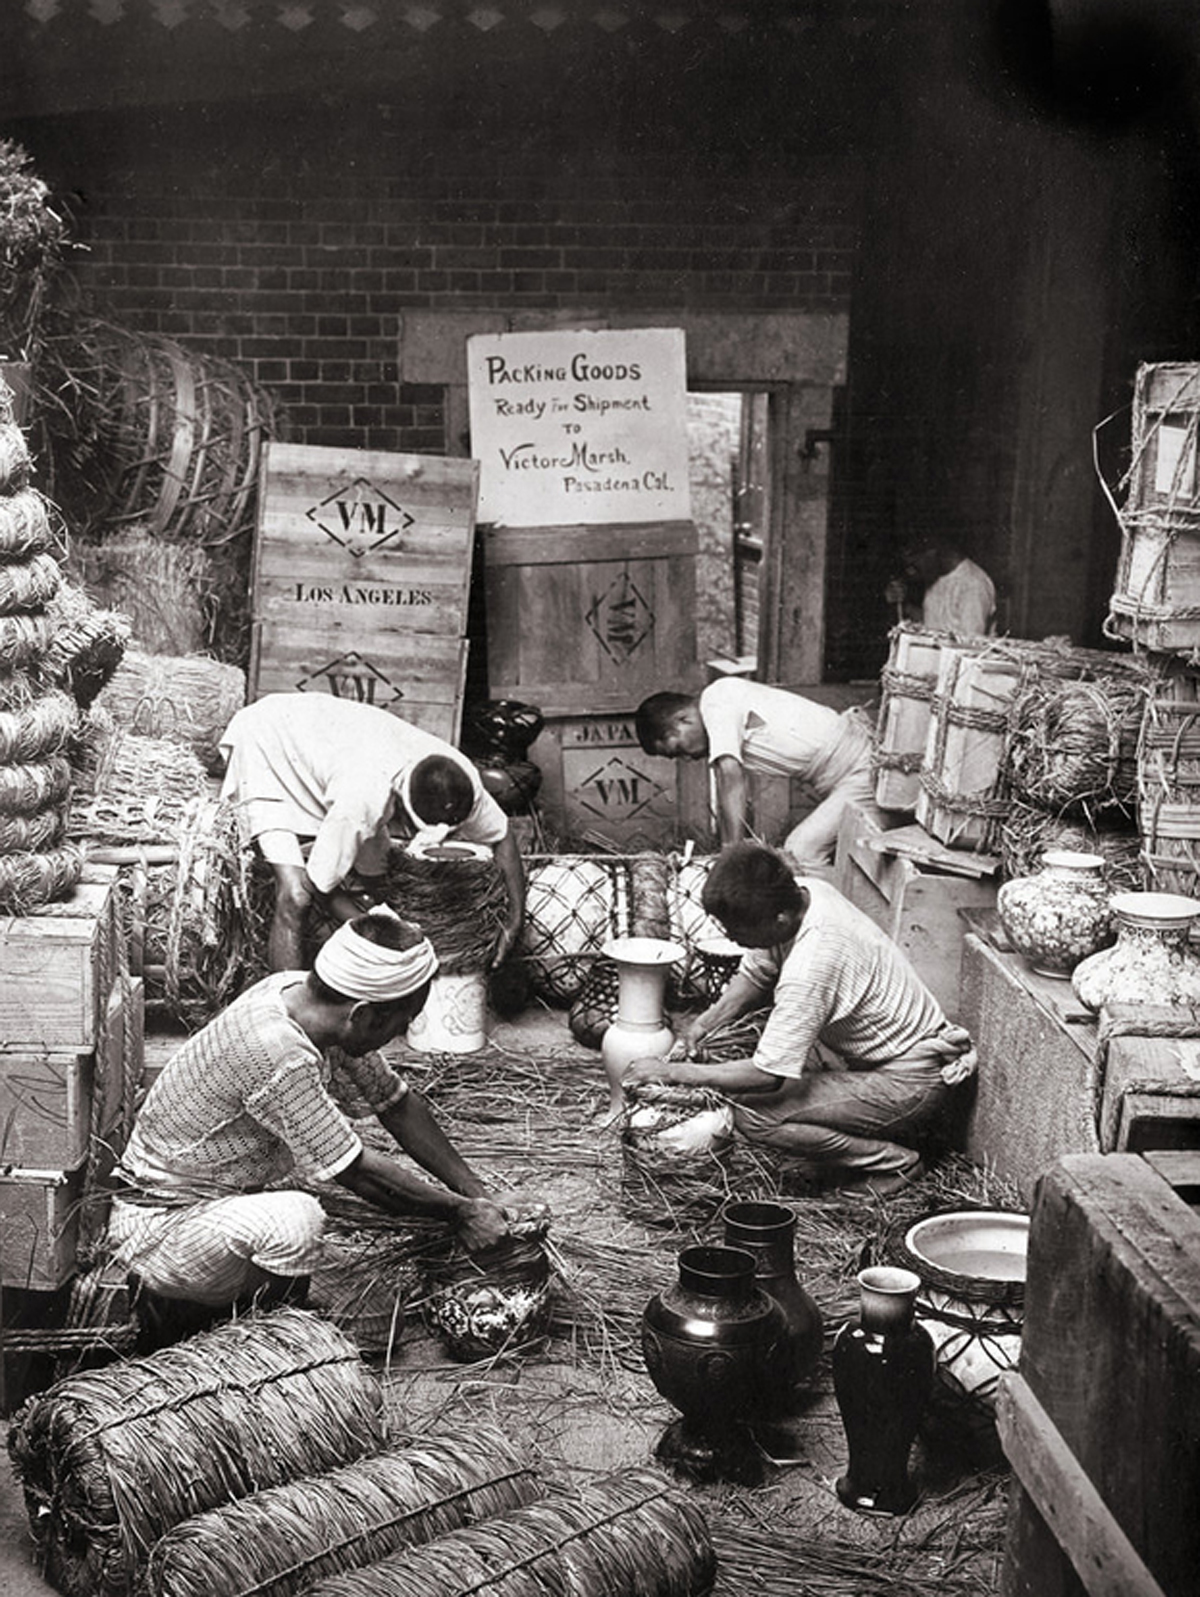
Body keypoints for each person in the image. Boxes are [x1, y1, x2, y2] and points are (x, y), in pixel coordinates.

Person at [107, 907, 540, 1350]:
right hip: (163, 1229)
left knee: (378, 1329)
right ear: (366, 1016)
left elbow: (395, 1103)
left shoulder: (307, 998)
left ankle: (273, 1307)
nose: (397, 1035)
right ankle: (257, 1338)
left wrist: (479, 1195)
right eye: (400, 1022)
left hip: (228, 1205)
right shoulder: (277, 1048)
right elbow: (357, 1171)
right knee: (299, 1220)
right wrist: (461, 1214)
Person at [622, 842, 976, 1195]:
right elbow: (758, 974)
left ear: (780, 920)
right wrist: (705, 1024)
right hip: (866, 1058)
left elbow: (767, 1075)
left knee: (753, 1115)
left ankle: (895, 1162)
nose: (730, 936)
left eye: (739, 930)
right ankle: (838, 1134)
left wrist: (673, 1072)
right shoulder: (805, 894)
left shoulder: (812, 962)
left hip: (911, 1083)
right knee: (752, 1061)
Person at [220, 693, 525, 973]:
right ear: (403, 808)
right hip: (268, 741)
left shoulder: (461, 779)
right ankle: (283, 1014)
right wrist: (384, 936)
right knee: (295, 898)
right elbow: (318, 890)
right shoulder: (362, 798)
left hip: (323, 747)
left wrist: (514, 922)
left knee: (378, 875)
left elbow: (502, 837)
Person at [634, 678, 877, 867]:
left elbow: (730, 777)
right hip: (847, 773)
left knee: (802, 852)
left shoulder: (716, 701)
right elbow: (735, 792)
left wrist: (731, 851)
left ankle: (834, 925)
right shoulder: (721, 713)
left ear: (683, 719)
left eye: (678, 749)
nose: (687, 758)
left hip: (863, 767)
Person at [885, 539, 996, 637]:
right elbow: (935, 623)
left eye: (914, 564)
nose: (910, 571)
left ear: (932, 552)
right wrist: (902, 605)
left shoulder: (972, 584)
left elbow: (970, 644)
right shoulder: (937, 577)